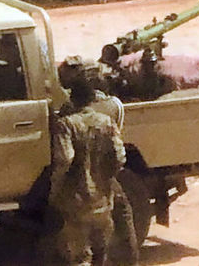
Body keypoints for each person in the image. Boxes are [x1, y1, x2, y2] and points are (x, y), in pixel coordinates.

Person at [43, 56, 138, 266]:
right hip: (102, 200)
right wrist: (106, 179)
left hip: (76, 201)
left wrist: (55, 189)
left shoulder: (66, 124)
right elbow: (120, 157)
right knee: (101, 252)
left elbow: (65, 159)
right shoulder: (107, 120)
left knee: (79, 255)